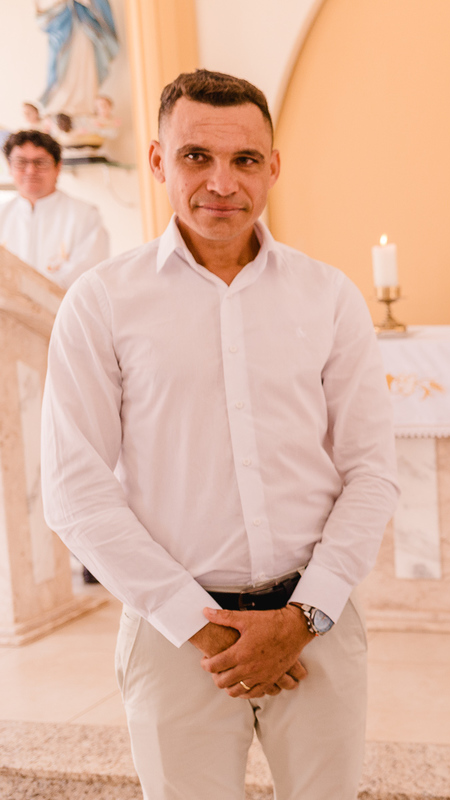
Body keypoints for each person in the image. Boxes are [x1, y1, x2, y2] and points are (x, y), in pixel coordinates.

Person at [41, 70, 399, 800]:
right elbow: (74, 489)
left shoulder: (328, 297)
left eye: (243, 161)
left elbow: (371, 471)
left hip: (317, 628)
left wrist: (303, 618)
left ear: (273, 166)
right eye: (196, 157)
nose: (221, 183)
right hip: (174, 638)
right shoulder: (102, 302)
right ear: (157, 162)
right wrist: (199, 626)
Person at [0, 128, 109, 288]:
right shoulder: (2, 215)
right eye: (21, 162)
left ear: (58, 167)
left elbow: (87, 280)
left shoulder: (84, 216)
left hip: (63, 311)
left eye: (40, 162)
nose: (30, 170)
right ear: (10, 167)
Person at [37, 0, 120, 117]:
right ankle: (60, 106)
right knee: (63, 73)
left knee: (85, 68)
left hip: (85, 30)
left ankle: (86, 105)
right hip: (63, 36)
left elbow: (101, 6)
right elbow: (42, 15)